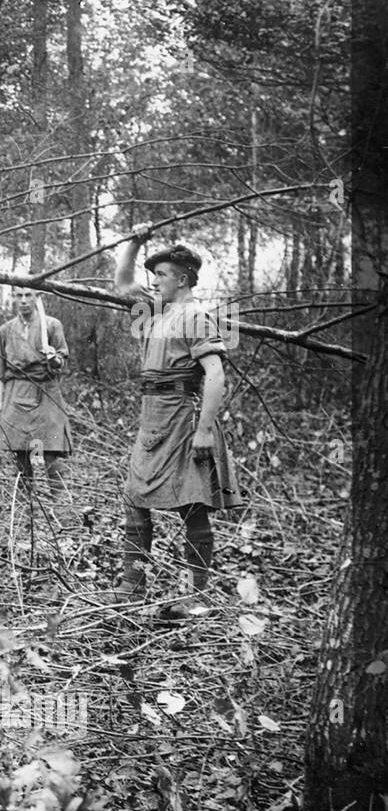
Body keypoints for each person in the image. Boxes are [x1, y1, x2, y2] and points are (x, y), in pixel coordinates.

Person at [112, 232, 243, 601]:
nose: (155, 282)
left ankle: (197, 595)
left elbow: (216, 376)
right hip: (152, 420)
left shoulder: (197, 315)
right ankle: (132, 586)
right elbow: (123, 285)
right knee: (135, 500)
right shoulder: (156, 311)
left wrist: (203, 432)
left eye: (162, 275)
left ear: (182, 279)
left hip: (184, 421)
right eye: (153, 275)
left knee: (192, 505)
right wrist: (136, 243)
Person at [0, 287, 72, 498]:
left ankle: (61, 505)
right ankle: (26, 507)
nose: (24, 300)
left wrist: (53, 358)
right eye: (19, 296)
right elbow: (0, 370)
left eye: (29, 295)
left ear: (37, 298)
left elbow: (62, 361)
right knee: (20, 451)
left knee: (51, 451)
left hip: (46, 389)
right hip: (16, 391)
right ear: (13, 298)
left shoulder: (52, 325)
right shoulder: (6, 330)